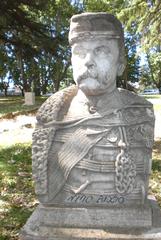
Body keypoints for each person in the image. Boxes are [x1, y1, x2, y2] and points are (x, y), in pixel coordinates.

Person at [34, 13, 154, 204]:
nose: (87, 61)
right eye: (79, 52)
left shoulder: (141, 112)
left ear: (120, 63)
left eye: (101, 50)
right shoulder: (52, 115)